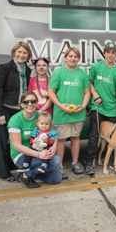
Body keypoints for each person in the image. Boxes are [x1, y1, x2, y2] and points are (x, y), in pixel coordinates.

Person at [84, 42, 116, 175]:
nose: (111, 54)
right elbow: (89, 83)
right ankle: (89, 162)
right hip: (97, 107)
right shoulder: (96, 66)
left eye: (113, 52)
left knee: (113, 137)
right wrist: (95, 95)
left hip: (112, 108)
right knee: (95, 134)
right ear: (104, 53)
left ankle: (113, 162)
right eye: (108, 52)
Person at [48, 47, 90, 178]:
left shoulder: (82, 74)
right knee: (61, 139)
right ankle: (59, 166)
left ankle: (75, 163)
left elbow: (87, 92)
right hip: (62, 114)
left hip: (78, 113)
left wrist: (83, 105)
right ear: (65, 58)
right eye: (70, 56)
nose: (73, 59)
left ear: (79, 59)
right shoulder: (58, 73)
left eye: (75, 56)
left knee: (76, 138)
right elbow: (51, 92)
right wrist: (60, 105)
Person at [0, 41, 32, 181]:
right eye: (19, 52)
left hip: (19, 111)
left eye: (24, 53)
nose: (21, 55)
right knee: (3, 141)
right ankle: (2, 173)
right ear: (14, 53)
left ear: (28, 55)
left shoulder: (27, 70)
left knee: (16, 142)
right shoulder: (4, 68)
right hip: (6, 109)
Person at [9, 91, 61, 188]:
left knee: (55, 179)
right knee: (55, 161)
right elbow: (17, 146)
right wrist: (38, 154)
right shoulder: (15, 120)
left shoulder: (39, 116)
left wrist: (54, 147)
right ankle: (25, 175)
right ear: (21, 104)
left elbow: (53, 132)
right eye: (26, 102)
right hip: (22, 155)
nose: (30, 104)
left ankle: (31, 172)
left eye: (33, 101)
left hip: (39, 150)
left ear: (37, 103)